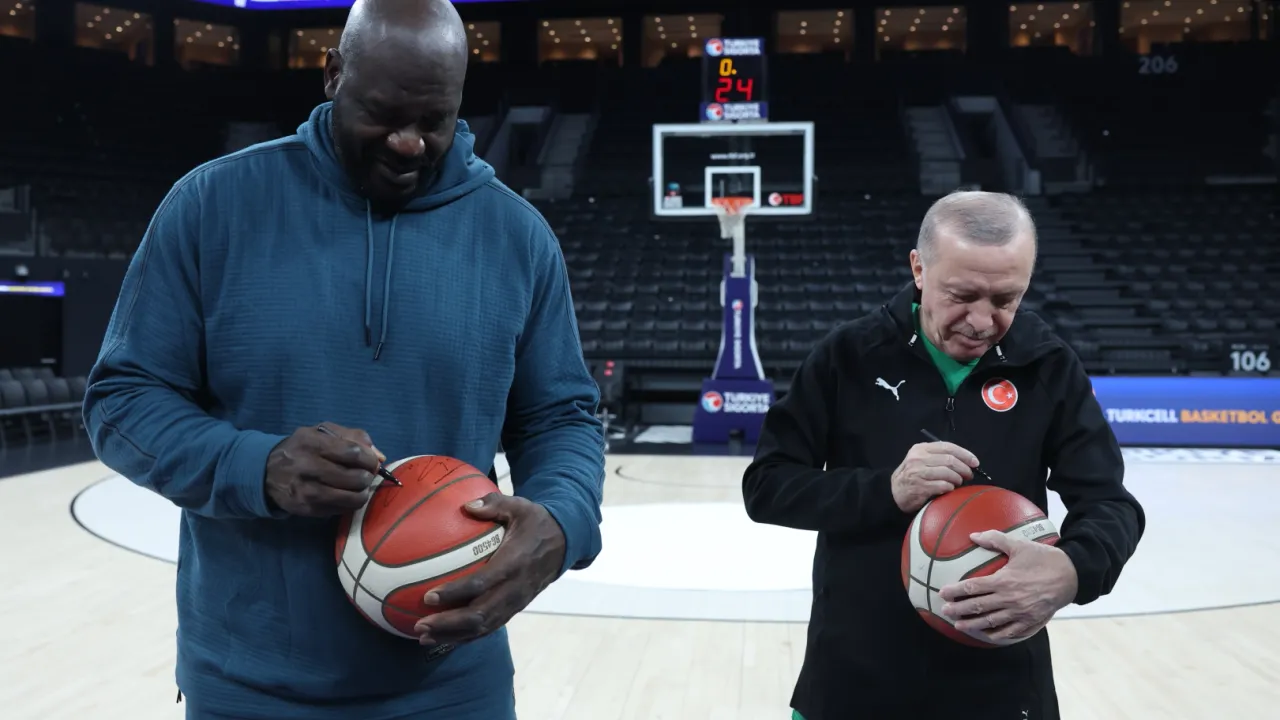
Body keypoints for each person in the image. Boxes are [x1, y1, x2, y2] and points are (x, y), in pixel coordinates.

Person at [82, 1, 606, 718]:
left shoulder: (518, 237)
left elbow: (560, 418)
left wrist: (563, 518)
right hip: (247, 686)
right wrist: (257, 466)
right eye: (384, 115)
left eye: (434, 120)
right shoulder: (210, 206)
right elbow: (122, 401)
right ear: (332, 75)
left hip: (453, 689)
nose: (410, 143)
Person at [742, 190, 1145, 720]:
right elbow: (767, 485)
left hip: (1002, 687)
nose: (981, 320)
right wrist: (886, 490)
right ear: (919, 268)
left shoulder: (1048, 365)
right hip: (855, 678)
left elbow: (1110, 503)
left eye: (1006, 299)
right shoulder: (848, 356)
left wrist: (1072, 569)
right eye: (962, 295)